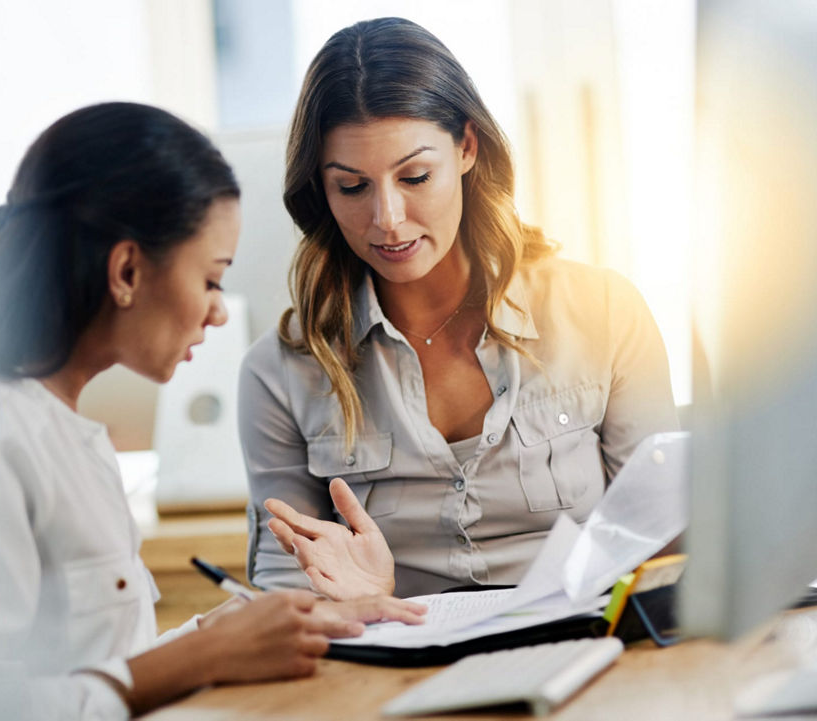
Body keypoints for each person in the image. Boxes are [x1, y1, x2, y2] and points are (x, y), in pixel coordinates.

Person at [0, 102, 426, 720]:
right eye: (213, 280)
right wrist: (203, 657)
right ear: (128, 271)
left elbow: (99, 666)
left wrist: (236, 629)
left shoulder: (63, 430)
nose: (219, 312)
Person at [238, 18, 679, 602]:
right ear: (319, 188)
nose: (388, 218)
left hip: (588, 646)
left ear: (467, 147)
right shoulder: (281, 371)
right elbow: (284, 587)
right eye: (352, 187)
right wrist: (362, 601)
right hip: (393, 665)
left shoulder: (602, 311)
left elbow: (665, 539)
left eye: (415, 176)